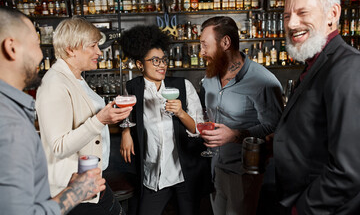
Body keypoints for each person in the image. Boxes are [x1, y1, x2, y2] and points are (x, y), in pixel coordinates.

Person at [0, 7, 106, 215]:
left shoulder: (11, 107)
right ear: (11, 48)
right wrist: (74, 193)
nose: (41, 54)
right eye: (37, 44)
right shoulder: (10, 124)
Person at [273, 0, 360, 214]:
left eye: (303, 13)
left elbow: (349, 169)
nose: (292, 24)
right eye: (287, 16)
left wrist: (301, 209)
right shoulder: (318, 61)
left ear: (332, 14)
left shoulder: (348, 67)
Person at [35, 17, 132, 215]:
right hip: (71, 186)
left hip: (91, 180)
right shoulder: (54, 84)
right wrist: (101, 119)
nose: (99, 51)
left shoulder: (76, 78)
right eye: (93, 45)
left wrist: (108, 111)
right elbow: (59, 147)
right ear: (71, 49)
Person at [119, 25, 212, 215]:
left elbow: (198, 129)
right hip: (153, 174)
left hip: (183, 172)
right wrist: (126, 132)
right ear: (139, 64)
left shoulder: (183, 86)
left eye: (163, 60)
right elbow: (123, 113)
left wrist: (181, 113)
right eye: (154, 60)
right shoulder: (132, 88)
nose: (161, 65)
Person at [199, 16, 284, 215]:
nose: (201, 52)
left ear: (226, 43)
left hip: (243, 172)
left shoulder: (263, 81)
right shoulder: (209, 77)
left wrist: (235, 135)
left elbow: (276, 127)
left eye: (205, 45)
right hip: (215, 168)